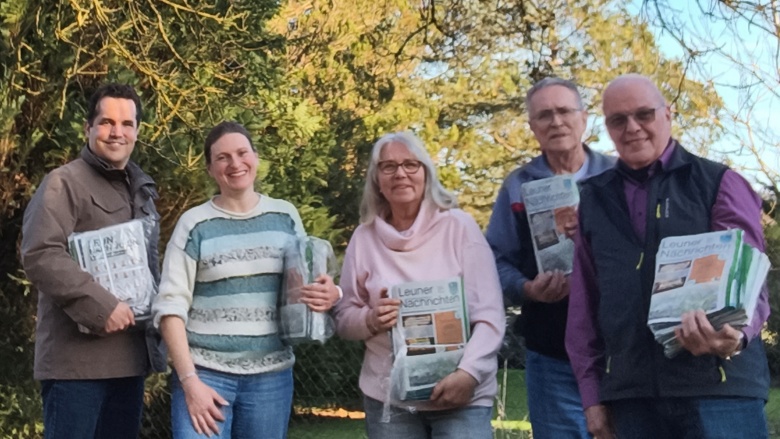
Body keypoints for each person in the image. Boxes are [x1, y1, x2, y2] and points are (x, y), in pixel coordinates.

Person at [566, 73, 771, 439]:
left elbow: (751, 283)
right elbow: (584, 305)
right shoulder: (594, 199)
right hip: (633, 397)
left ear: (668, 115)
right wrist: (592, 396)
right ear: (607, 127)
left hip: (718, 390)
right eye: (618, 120)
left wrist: (736, 336)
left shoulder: (718, 183)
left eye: (644, 114)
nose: (632, 128)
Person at [151, 121, 340, 439]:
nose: (235, 163)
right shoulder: (195, 224)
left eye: (242, 153)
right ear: (211, 169)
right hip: (206, 377)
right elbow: (170, 308)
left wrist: (332, 292)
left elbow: (304, 288)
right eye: (222, 157)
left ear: (256, 156)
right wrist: (189, 381)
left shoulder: (285, 216)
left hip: (271, 380)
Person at [333, 131, 505, 439]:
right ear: (377, 180)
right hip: (389, 401)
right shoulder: (364, 238)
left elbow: (491, 316)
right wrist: (370, 320)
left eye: (410, 164)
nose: (400, 173)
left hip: (461, 397)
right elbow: (344, 317)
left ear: (426, 172)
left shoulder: (459, 227)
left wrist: (469, 374)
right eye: (388, 166)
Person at [21, 83, 166, 439]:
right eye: (106, 122)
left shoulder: (142, 189)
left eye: (127, 124)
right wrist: (103, 306)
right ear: (88, 128)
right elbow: (40, 253)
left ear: (137, 131)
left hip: (130, 362)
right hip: (76, 369)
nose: (117, 132)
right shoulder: (63, 183)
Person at [485, 77, 616, 439]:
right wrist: (527, 288)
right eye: (544, 115)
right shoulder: (517, 186)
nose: (556, 122)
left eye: (564, 111)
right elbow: (494, 259)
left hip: (618, 352)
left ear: (584, 118)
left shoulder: (618, 176)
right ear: (532, 127)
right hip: (551, 350)